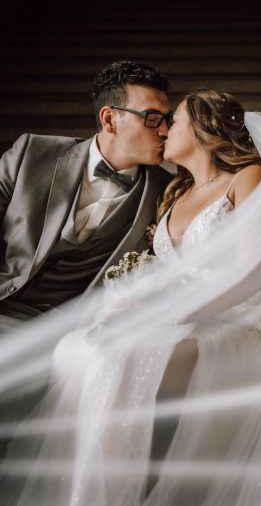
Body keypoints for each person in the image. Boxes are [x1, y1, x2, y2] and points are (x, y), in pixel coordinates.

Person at [1, 89, 261, 506]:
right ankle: (85, 491)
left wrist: (164, 312)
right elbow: (160, 274)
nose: (164, 130)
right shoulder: (173, 193)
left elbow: (255, 275)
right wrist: (125, 303)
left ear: (203, 130)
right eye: (159, 121)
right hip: (183, 315)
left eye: (174, 121)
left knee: (121, 357)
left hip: (244, 317)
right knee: (78, 347)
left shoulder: (248, 176)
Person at [0, 59, 173, 458]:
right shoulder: (33, 153)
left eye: (167, 119)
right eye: (151, 118)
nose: (164, 129)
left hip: (68, 329)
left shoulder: (168, 193)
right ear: (109, 119)